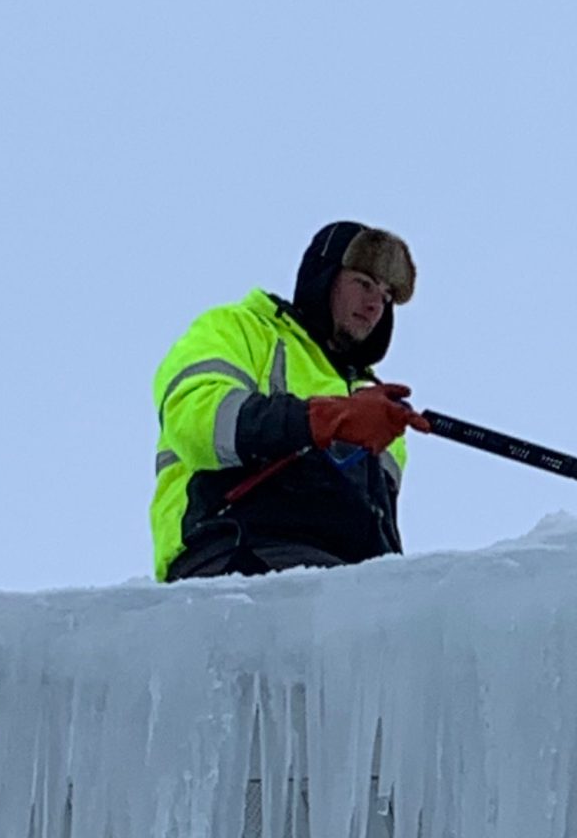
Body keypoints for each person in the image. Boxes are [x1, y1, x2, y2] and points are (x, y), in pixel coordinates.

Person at [151, 222, 431, 580]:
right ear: (325, 277)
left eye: (387, 295)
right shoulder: (242, 330)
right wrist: (322, 420)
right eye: (363, 283)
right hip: (236, 552)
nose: (375, 303)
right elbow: (195, 420)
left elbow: (380, 528)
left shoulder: (377, 406)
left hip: (345, 580)